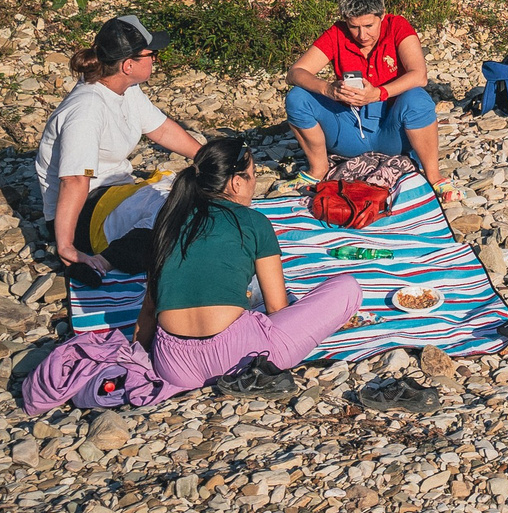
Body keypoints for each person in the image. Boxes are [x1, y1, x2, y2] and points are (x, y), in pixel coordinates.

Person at [141, 134, 363, 396]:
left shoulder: (168, 222)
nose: (255, 181)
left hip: (173, 365)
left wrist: (141, 357)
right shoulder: (253, 221)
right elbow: (276, 308)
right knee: (347, 288)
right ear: (236, 183)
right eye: (253, 173)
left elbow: (148, 312)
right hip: (239, 358)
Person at [35, 14, 202, 283]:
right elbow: (75, 179)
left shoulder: (126, 90)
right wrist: (66, 246)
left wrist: (205, 157)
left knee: (191, 200)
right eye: (151, 55)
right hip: (83, 210)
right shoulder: (87, 109)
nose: (155, 60)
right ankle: (103, 261)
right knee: (175, 218)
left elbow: (160, 129)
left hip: (115, 192)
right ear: (127, 65)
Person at [284, 0, 446, 190]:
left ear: (382, 15)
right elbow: (295, 73)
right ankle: (318, 169)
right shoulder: (336, 34)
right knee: (297, 97)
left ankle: (434, 176)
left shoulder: (397, 26)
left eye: (369, 26)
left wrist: (378, 94)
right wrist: (328, 89)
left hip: (391, 131)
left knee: (418, 99)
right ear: (345, 21)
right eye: (354, 27)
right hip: (349, 128)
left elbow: (419, 76)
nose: (362, 35)